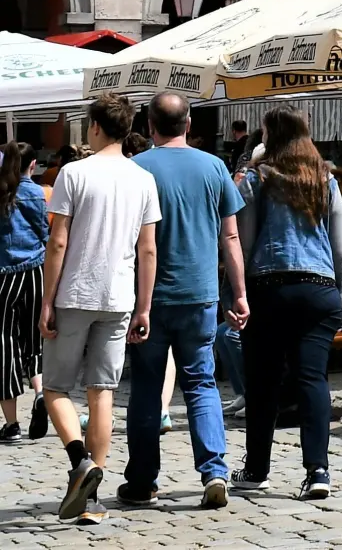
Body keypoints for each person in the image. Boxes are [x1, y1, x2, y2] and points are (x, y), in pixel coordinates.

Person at [117, 92, 248, 510]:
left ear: (149, 127)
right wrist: (240, 293)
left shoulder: (135, 168)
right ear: (189, 124)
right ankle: (214, 470)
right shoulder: (214, 167)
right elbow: (230, 236)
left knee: (146, 388)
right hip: (200, 294)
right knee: (201, 382)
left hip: (148, 297)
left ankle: (141, 480)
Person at [40, 94, 161, 526]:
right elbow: (147, 249)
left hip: (75, 291)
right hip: (118, 296)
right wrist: (143, 306)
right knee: (102, 391)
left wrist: (47, 299)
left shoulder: (74, 173)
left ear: (94, 127)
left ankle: (79, 463)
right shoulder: (142, 178)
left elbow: (58, 242)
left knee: (54, 387)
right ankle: (93, 499)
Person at [233, 106, 342, 501]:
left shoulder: (256, 179)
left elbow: (244, 243)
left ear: (270, 138)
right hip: (320, 289)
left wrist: (238, 293)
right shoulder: (325, 181)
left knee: (263, 382)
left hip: (270, 287)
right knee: (312, 379)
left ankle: (256, 468)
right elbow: (339, 250)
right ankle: (318, 470)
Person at [0, 141, 48, 444]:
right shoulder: (34, 192)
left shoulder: (2, 191)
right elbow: (45, 230)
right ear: (32, 165)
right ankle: (41, 392)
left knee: (5, 343)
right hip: (36, 272)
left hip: (4, 274)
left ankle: (12, 424)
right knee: (35, 338)